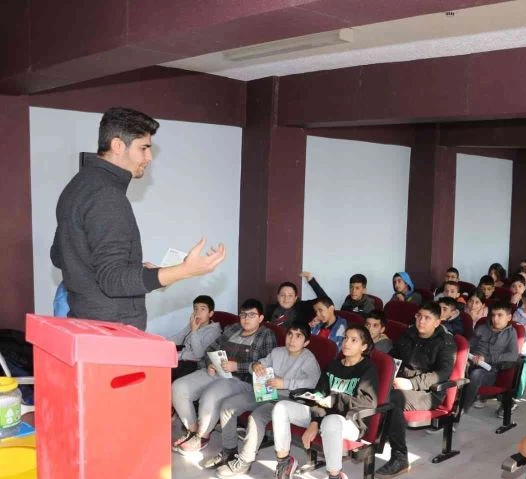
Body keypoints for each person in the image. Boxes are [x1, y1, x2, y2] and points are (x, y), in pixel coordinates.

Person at [50, 107, 225, 330]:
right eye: (143, 148)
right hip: (112, 333)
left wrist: (132, 267)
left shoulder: (77, 185)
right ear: (117, 145)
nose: (149, 158)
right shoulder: (108, 196)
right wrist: (185, 270)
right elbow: (113, 280)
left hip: (85, 323)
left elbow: (60, 256)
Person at [270, 325, 378, 479]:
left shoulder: (368, 369)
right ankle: (284, 462)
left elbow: (367, 401)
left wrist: (334, 400)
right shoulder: (334, 366)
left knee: (331, 421)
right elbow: (318, 397)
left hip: (351, 421)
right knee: (281, 408)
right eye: (345, 338)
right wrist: (314, 422)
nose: (346, 343)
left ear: (364, 346)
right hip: (324, 416)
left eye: (353, 340)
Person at [205, 322, 321, 477]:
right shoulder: (277, 352)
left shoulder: (308, 359)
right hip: (265, 392)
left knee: (256, 417)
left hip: (285, 401)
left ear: (306, 342)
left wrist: (285, 383)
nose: (292, 340)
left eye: (298, 336)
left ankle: (244, 462)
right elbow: (259, 364)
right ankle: (229, 451)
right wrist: (256, 366)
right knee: (228, 405)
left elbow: (314, 383)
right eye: (290, 334)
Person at [172, 299, 277, 454]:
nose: (246, 318)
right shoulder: (233, 329)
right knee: (178, 387)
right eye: (243, 314)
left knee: (210, 395)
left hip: (241, 380)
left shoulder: (266, 335)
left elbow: (266, 366)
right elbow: (210, 349)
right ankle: (193, 430)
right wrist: (210, 363)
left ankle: (202, 436)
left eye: (252, 315)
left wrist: (237, 366)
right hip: (217, 372)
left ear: (261, 318)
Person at [376, 302, 456, 478]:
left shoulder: (446, 343)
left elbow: (442, 374)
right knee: (374, 387)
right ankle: (370, 436)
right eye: (419, 316)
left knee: (392, 399)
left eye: (427, 318)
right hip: (401, 383)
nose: (421, 321)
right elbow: (393, 356)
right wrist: (387, 375)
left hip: (429, 393)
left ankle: (400, 457)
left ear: (437, 322)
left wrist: (411, 384)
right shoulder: (409, 333)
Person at [461, 301, 519, 414]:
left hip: (490, 370)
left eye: (500, 315)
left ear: (509, 317)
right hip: (472, 363)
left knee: (476, 374)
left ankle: (463, 408)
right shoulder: (482, 328)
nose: (495, 319)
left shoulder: (511, 333)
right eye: (493, 315)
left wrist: (486, 359)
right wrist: (469, 358)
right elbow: (469, 346)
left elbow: (513, 355)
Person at [169, 295, 222, 381]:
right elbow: (179, 337)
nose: (198, 313)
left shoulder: (214, 332)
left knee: (166, 372)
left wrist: (194, 331)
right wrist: (163, 343)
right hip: (182, 356)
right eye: (195, 309)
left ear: (210, 313)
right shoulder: (194, 324)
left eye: (202, 309)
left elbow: (199, 355)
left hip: (195, 364)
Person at [264, 272, 329, 326]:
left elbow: (325, 300)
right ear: (278, 297)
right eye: (283, 295)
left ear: (295, 298)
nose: (286, 298)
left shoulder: (303, 307)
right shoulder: (270, 310)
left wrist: (312, 281)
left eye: (290, 296)